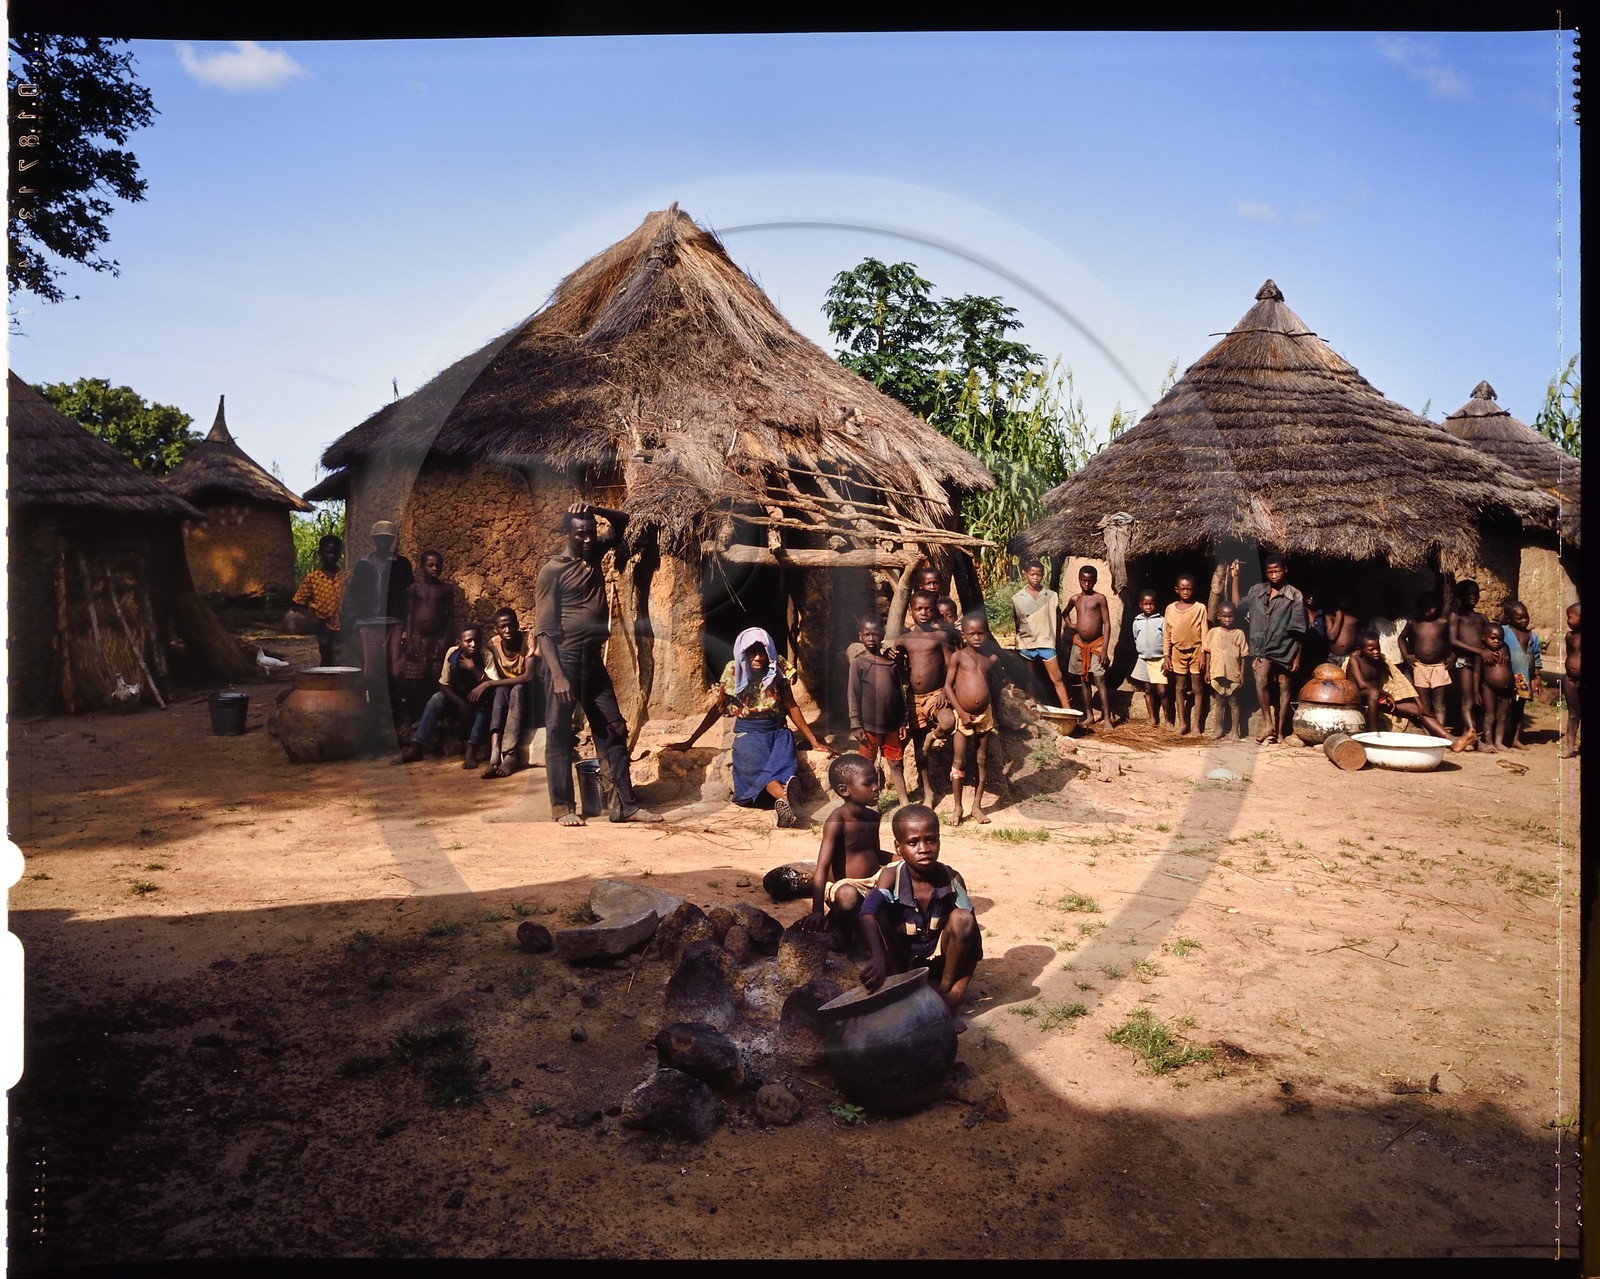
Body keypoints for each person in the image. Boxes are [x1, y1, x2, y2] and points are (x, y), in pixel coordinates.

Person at [534, 503, 662, 826]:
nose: (589, 539)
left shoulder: (593, 554)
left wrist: (594, 508)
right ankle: (562, 807)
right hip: (565, 660)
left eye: (591, 533)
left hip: (592, 658)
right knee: (560, 731)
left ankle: (623, 805)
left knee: (613, 726)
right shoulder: (553, 570)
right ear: (568, 534)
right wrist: (559, 676)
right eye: (581, 534)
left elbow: (624, 524)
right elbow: (544, 632)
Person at [668, 625, 833, 827]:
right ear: (742, 652)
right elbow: (718, 708)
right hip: (749, 732)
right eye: (752, 652)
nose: (758, 657)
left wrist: (813, 741)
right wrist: (690, 741)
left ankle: (785, 803)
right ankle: (787, 798)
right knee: (757, 764)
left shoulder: (777, 666)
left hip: (778, 731)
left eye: (762, 652)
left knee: (783, 764)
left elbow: (791, 706)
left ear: (769, 652)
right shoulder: (733, 670)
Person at [859, 804, 982, 1021]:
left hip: (939, 953)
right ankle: (901, 980)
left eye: (931, 839)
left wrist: (956, 993)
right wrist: (877, 956)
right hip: (900, 951)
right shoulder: (891, 877)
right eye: (913, 842)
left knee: (962, 919)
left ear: (939, 841)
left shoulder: (951, 880)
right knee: (879, 912)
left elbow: (975, 948)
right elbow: (867, 912)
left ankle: (943, 990)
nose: (923, 848)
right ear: (898, 847)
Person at [797, 754, 890, 953]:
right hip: (843, 886)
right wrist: (817, 911)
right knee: (848, 896)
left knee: (903, 872)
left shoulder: (873, 816)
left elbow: (874, 852)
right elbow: (822, 866)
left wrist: (904, 861)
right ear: (844, 790)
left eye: (876, 781)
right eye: (868, 783)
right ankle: (845, 937)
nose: (876, 787)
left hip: (872, 880)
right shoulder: (837, 820)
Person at [887, 589, 957, 810]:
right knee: (920, 751)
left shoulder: (940, 637)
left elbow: (951, 667)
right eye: (919, 609)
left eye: (928, 609)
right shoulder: (904, 639)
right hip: (913, 699)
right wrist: (892, 655)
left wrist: (946, 691)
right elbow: (897, 669)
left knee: (947, 722)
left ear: (934, 611)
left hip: (936, 693)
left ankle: (932, 737)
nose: (923, 613)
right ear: (911, 611)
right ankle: (928, 792)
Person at [1345, 631, 1473, 750]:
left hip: (1378, 699)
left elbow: (1401, 681)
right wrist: (1385, 695)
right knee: (1373, 692)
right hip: (1359, 698)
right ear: (1360, 650)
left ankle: (1452, 740)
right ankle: (1372, 736)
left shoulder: (1381, 660)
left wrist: (1420, 703)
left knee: (1418, 709)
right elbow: (1362, 685)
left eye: (1378, 647)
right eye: (1371, 649)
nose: (1376, 651)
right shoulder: (1354, 660)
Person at [398, 622, 495, 768]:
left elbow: (492, 683)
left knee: (483, 709)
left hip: (478, 699)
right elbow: (443, 683)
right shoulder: (452, 654)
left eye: (476, 640)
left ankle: (471, 750)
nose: (473, 644)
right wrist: (460, 703)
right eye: (468, 641)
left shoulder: (486, 655)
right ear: (459, 642)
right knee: (436, 699)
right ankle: (416, 746)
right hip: (457, 699)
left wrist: (473, 668)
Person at [1238, 553, 1307, 744]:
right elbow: (1239, 607)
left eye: (1277, 571)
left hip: (1286, 648)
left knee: (1285, 687)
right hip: (1262, 649)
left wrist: (1297, 657)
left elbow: (1300, 631)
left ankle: (1281, 732)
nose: (1273, 575)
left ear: (1285, 570)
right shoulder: (1256, 591)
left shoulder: (1295, 595)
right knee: (1260, 680)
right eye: (1269, 572)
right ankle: (1268, 725)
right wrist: (1235, 579)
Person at [944, 610, 1004, 827]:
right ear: (963, 635)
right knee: (958, 760)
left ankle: (977, 805)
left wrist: (995, 712)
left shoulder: (991, 659)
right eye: (972, 634)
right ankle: (957, 806)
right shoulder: (958, 656)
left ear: (987, 634)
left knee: (981, 759)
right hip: (962, 716)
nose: (977, 637)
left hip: (984, 716)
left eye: (981, 633)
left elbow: (996, 685)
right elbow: (948, 688)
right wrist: (961, 712)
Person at [848, 614, 911, 808]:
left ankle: (904, 800)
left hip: (891, 724)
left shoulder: (891, 665)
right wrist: (855, 723)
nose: (871, 638)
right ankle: (867, 803)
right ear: (860, 636)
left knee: (895, 763)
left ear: (882, 635)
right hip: (868, 726)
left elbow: (899, 693)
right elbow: (852, 694)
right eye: (867, 634)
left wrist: (903, 721)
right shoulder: (859, 664)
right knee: (866, 766)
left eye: (875, 634)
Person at [396, 550, 455, 740]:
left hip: (437, 639)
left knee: (435, 678)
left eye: (438, 565)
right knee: (414, 679)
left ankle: (434, 720)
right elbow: (411, 615)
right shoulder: (416, 588)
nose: (434, 568)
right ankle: (415, 718)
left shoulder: (445, 589)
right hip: (418, 638)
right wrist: (410, 641)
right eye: (430, 565)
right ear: (422, 567)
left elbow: (449, 618)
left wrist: (444, 642)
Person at [479, 608, 539, 779]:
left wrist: (491, 683)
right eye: (503, 627)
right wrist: (494, 683)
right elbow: (494, 676)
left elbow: (528, 677)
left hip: (531, 697)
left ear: (518, 625)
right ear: (496, 629)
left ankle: (511, 754)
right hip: (507, 698)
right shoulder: (493, 645)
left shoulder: (528, 640)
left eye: (511, 626)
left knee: (517, 689)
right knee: (501, 690)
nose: (507, 631)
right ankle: (495, 753)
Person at [1012, 557, 1072, 710]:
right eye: (1032, 574)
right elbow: (1017, 621)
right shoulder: (1017, 598)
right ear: (1025, 574)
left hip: (1046, 642)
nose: (1035, 578)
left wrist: (1055, 641)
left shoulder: (1051, 596)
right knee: (1029, 679)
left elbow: (1057, 620)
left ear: (1042, 575)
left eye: (1038, 574)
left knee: (1057, 678)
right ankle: (1033, 709)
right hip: (1026, 643)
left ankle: (1068, 711)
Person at [1448, 580, 1502, 746]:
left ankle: (1470, 732)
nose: (1473, 597)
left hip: (1483, 663)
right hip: (1465, 662)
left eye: (1476, 593)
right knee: (1467, 699)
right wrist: (1479, 651)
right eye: (1468, 594)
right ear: (1459, 596)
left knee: (1479, 700)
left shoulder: (1481, 618)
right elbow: (1453, 640)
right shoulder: (1455, 616)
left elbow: (1492, 638)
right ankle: (1476, 739)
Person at [1062, 565, 1115, 728]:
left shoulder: (1099, 598)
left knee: (1099, 680)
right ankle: (1090, 715)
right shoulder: (1075, 599)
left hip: (1096, 645)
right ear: (1079, 580)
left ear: (1095, 581)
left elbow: (1107, 623)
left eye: (1090, 581)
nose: (1086, 584)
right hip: (1080, 645)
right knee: (1083, 680)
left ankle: (1106, 719)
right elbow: (1064, 613)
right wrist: (1072, 626)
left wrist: (1105, 650)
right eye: (1083, 580)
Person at [289, 534, 348, 666]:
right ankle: (325, 682)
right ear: (320, 553)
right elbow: (297, 602)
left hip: (344, 623)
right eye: (328, 552)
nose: (332, 556)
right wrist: (310, 617)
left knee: (343, 655)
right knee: (326, 653)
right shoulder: (313, 578)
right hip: (323, 624)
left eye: (335, 552)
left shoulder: (346, 576)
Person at [1162, 572, 1208, 735]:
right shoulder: (1170, 609)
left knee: (1197, 687)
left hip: (1196, 651)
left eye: (1189, 589)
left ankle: (1196, 725)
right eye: (1183, 589)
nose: (1186, 592)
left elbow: (1204, 632)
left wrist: (1203, 653)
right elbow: (1167, 634)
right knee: (1180, 687)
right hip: (1177, 652)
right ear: (1177, 590)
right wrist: (1166, 655)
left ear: (1194, 590)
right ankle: (1182, 723)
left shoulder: (1200, 608)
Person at [1400, 593, 1453, 723]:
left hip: (1439, 666)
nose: (1427, 610)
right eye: (1424, 607)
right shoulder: (1414, 622)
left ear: (1438, 607)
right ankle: (1428, 733)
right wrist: (1406, 655)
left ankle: (1440, 733)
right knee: (1424, 703)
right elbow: (1401, 638)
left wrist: (1453, 657)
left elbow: (1453, 642)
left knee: (1439, 703)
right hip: (1419, 666)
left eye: (1431, 607)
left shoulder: (1443, 622)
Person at [1202, 601, 1250, 740]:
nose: (1227, 619)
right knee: (1219, 703)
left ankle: (1235, 730)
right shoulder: (1213, 632)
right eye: (1224, 616)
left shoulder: (1239, 634)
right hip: (1216, 673)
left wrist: (1241, 674)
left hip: (1233, 673)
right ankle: (1219, 729)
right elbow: (1208, 653)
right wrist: (1207, 672)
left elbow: (1244, 656)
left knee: (1234, 703)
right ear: (1218, 616)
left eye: (1230, 616)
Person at [1499, 600, 1543, 750]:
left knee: (1519, 709)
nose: (1524, 620)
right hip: (1505, 677)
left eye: (1526, 617)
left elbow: (1536, 657)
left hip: (1523, 678)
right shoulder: (1503, 631)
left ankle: (1515, 738)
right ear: (1509, 619)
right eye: (1519, 618)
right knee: (1503, 708)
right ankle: (1499, 738)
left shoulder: (1533, 636)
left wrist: (1537, 677)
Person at [1128, 587, 1168, 727]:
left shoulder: (1161, 621)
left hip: (1159, 660)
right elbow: (1135, 637)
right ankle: (1152, 718)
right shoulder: (1136, 622)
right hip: (1144, 659)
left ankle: (1168, 720)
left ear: (1155, 605)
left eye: (1151, 604)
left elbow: (1166, 639)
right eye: (1146, 604)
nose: (1149, 606)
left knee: (1162, 691)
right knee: (1148, 689)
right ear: (1140, 605)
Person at [1478, 624, 1514, 754]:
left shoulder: (1505, 648)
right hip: (1489, 688)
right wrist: (1476, 691)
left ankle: (1499, 742)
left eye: (1500, 638)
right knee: (1490, 716)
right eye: (1493, 638)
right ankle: (1488, 742)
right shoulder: (1482, 653)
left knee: (1503, 717)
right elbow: (1477, 673)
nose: (1496, 641)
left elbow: (1508, 665)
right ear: (1483, 638)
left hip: (1507, 689)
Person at [1561, 602, 1581, 759]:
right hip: (1570, 680)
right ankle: (1569, 747)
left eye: (1570, 617)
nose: (1567, 620)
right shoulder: (1569, 636)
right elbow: (1570, 655)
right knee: (1573, 714)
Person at [1324, 593, 1362, 667]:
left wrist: (1358, 649)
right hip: (1333, 657)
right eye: (1341, 601)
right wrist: (1339, 616)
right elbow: (1332, 636)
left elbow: (1361, 635)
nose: (1343, 603)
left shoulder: (1355, 617)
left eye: (1346, 601)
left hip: (1349, 656)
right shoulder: (1330, 616)